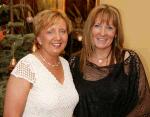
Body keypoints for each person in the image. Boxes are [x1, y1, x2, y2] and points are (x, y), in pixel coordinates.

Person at [69, 4, 150, 117]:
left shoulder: (129, 60)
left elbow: (144, 105)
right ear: (90, 29)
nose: (102, 33)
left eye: (109, 28)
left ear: (116, 33)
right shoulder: (74, 62)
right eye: (97, 26)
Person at [3, 9, 79, 117]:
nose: (58, 37)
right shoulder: (27, 67)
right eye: (50, 32)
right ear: (39, 38)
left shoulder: (65, 64)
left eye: (62, 31)